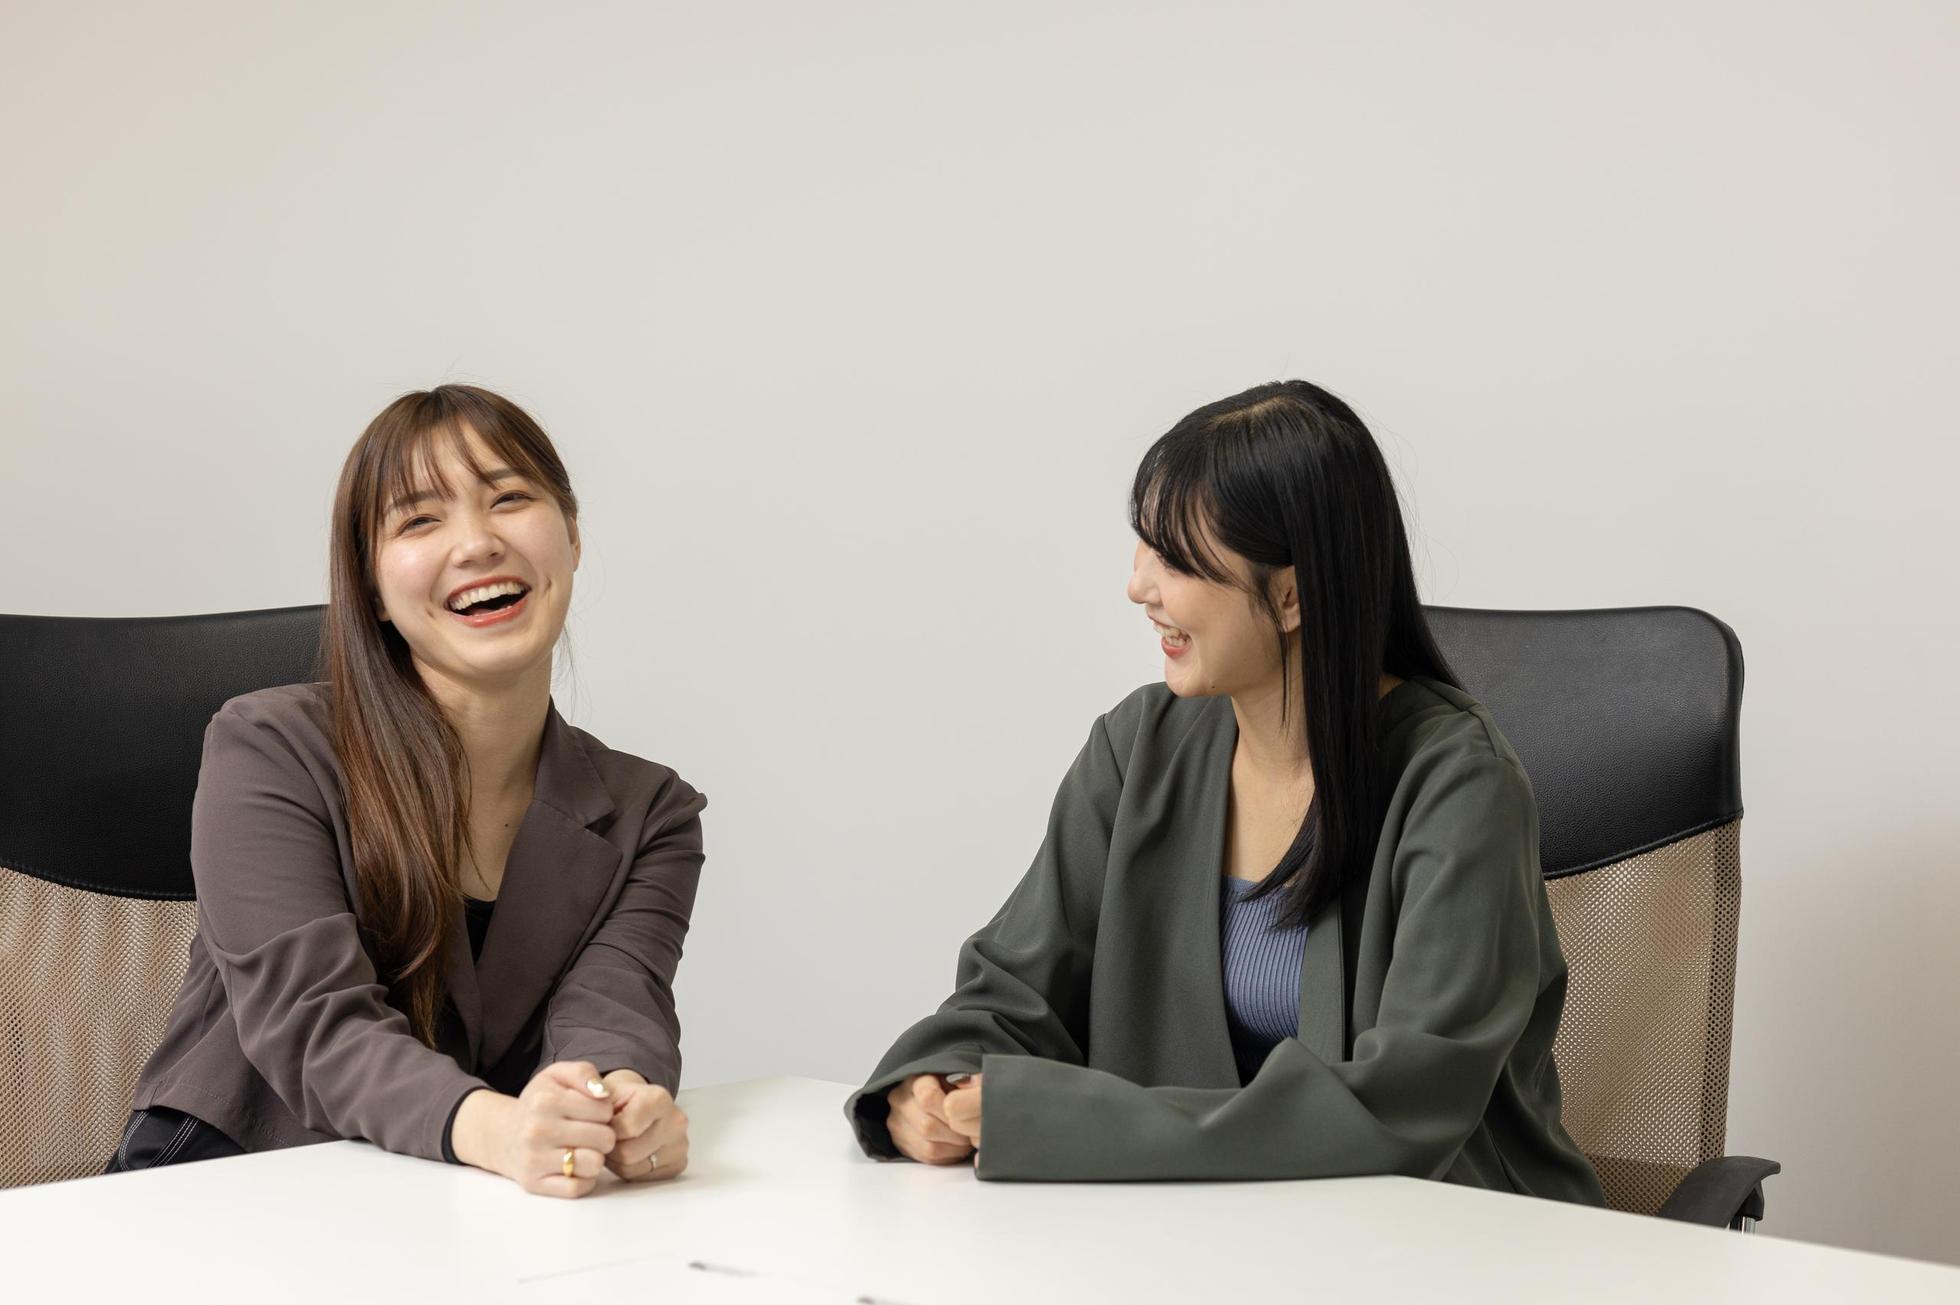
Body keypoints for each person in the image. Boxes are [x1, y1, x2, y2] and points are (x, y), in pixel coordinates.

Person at [846, 380, 1605, 1202]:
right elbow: (1012, 991)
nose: (1139, 586)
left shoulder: (1459, 785)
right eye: (1144, 549)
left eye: (1175, 559)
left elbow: (1400, 1108)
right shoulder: (1137, 749)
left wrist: (1054, 1120)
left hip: (1450, 1240)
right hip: (1207, 1240)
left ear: (1290, 594)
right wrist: (929, 1086)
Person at [110, 385, 703, 1198]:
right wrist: (500, 1130)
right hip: (219, 1189)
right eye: (420, 519)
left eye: (509, 498)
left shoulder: (651, 813)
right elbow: (314, 1022)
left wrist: (615, 1107)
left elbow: (614, 1009)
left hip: (444, 1204)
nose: (478, 542)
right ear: (373, 590)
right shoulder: (270, 748)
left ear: (571, 535)